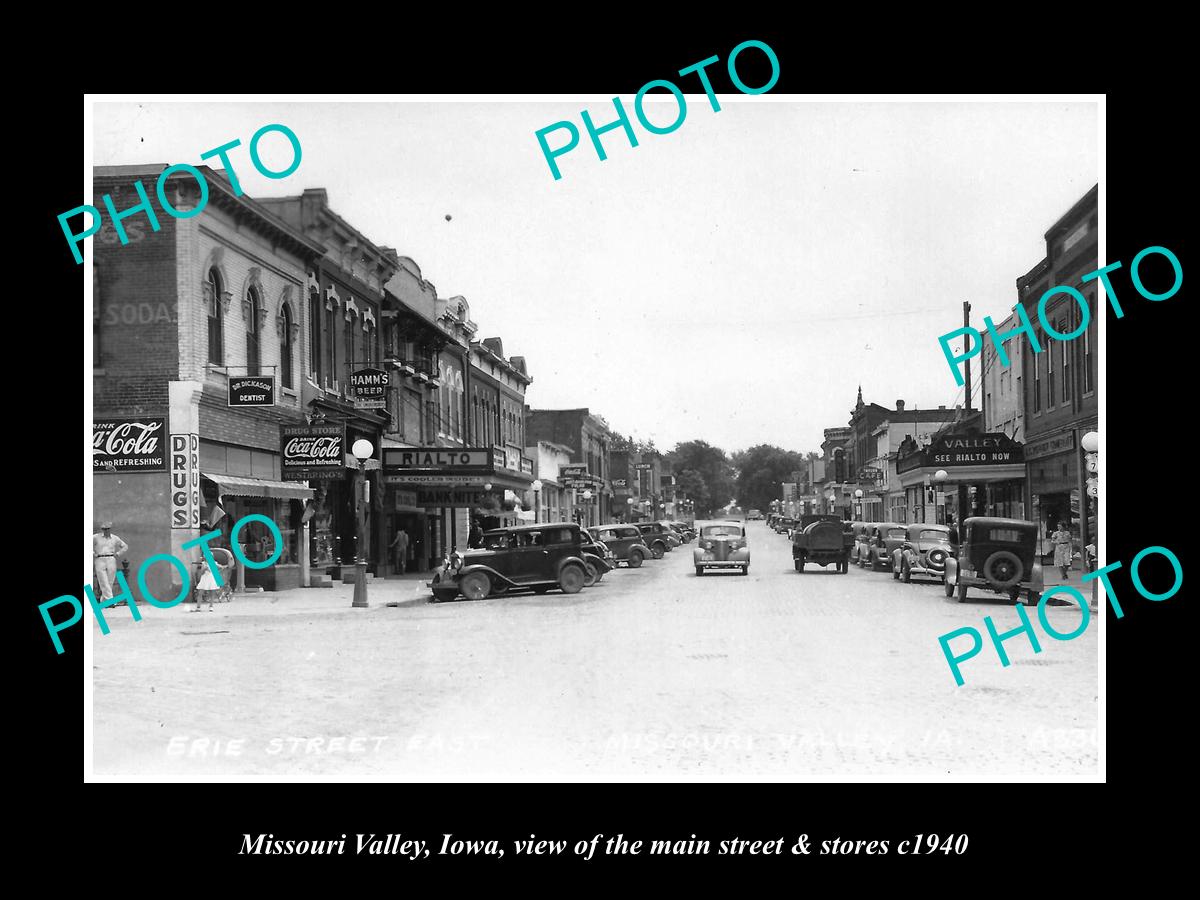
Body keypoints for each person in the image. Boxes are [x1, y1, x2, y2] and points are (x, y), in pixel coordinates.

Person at [92, 521, 129, 606]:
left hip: (111, 559)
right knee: (103, 581)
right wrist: (94, 553)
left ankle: (103, 601)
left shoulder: (115, 538)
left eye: (108, 529)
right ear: (102, 529)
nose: (106, 531)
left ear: (110, 529)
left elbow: (125, 546)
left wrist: (118, 553)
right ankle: (111, 601)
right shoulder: (96, 537)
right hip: (100, 559)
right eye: (104, 529)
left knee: (110, 581)